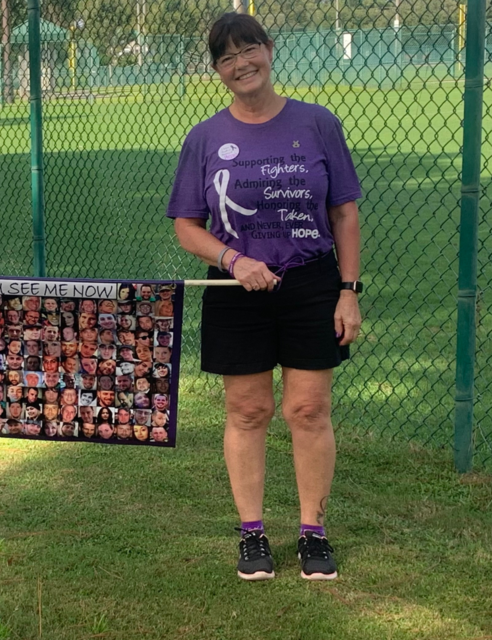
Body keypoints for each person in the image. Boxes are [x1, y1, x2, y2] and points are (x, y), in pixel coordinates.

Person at [167, 13, 361, 583]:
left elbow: (344, 212)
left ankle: (312, 532)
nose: (241, 63)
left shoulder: (318, 124)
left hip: (311, 283)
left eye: (249, 49)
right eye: (227, 58)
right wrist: (233, 259)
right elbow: (186, 224)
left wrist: (348, 292)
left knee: (308, 410)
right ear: (218, 71)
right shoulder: (204, 137)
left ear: (269, 51)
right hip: (236, 286)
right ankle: (252, 535)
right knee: (247, 411)